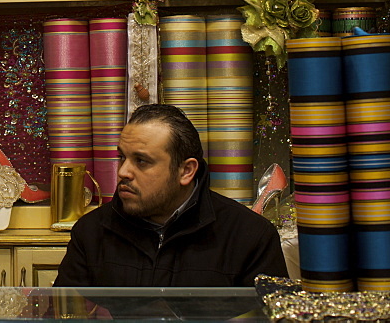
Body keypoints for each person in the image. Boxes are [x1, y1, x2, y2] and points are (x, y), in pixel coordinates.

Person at [54, 103, 288, 287]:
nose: (123, 172)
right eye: (122, 157)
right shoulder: (92, 232)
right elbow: (62, 317)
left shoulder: (251, 237)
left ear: (186, 171)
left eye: (142, 161)